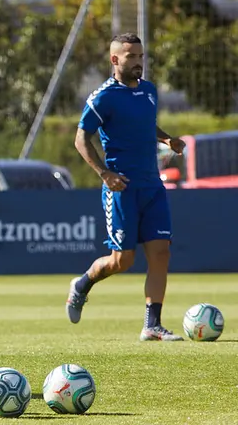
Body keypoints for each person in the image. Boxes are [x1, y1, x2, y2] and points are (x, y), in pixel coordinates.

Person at [67, 33, 187, 341]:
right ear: (114, 59)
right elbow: (81, 139)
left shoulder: (148, 91)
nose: (138, 62)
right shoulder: (103, 97)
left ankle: (152, 325)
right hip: (122, 188)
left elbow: (144, 124)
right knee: (122, 261)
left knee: (161, 252)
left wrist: (167, 139)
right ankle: (82, 284)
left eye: (141, 56)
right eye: (131, 56)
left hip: (152, 186)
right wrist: (104, 173)